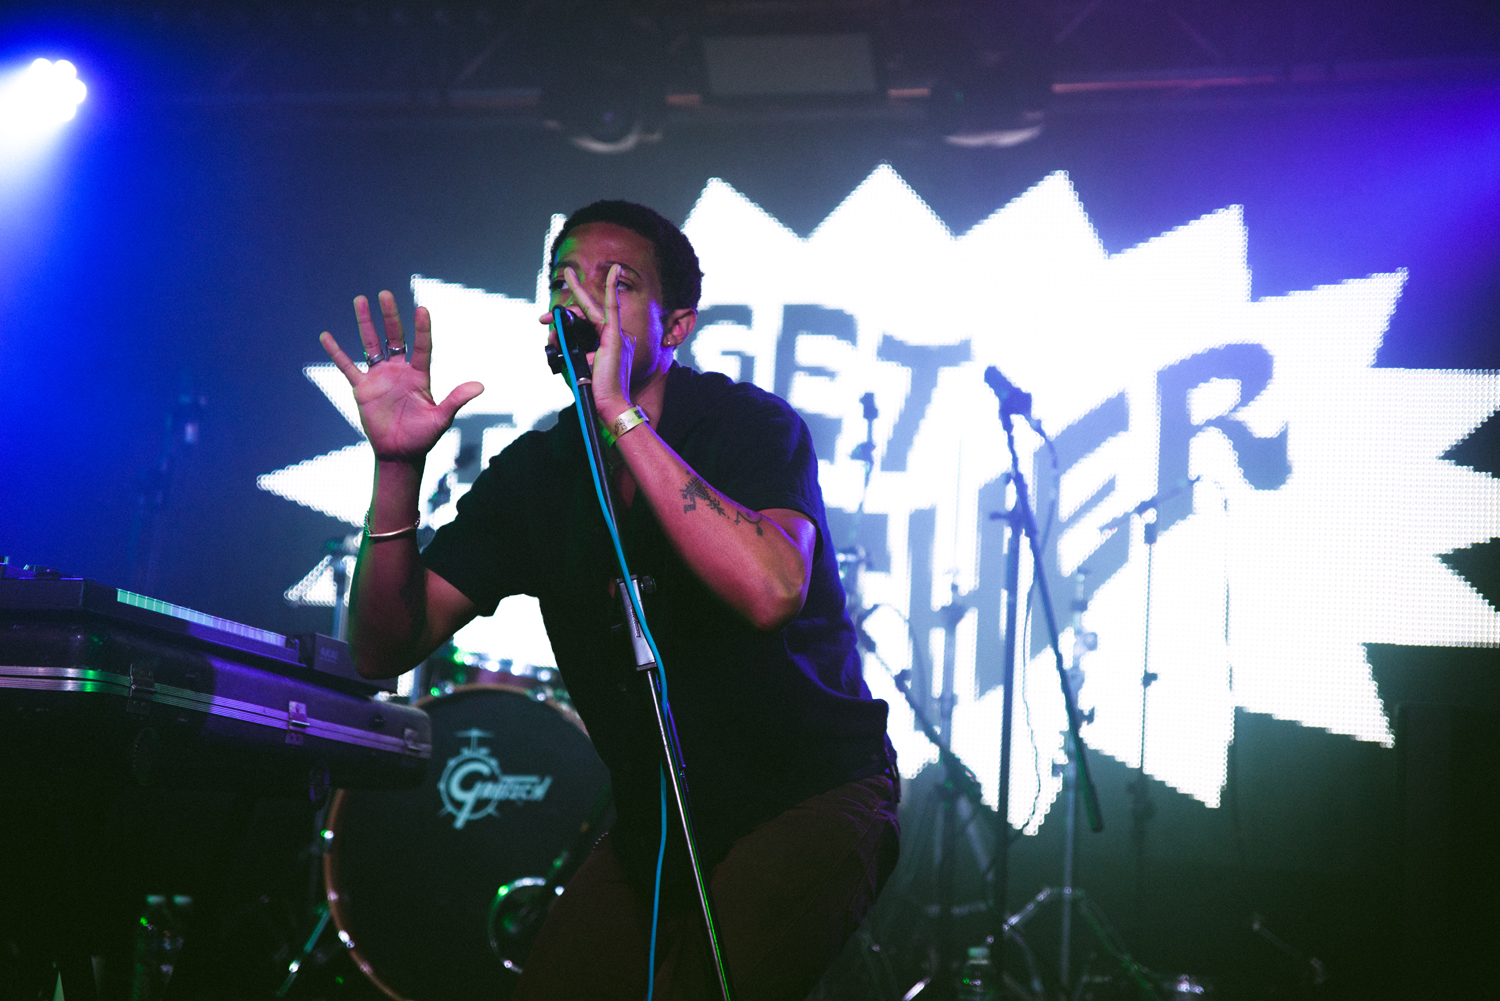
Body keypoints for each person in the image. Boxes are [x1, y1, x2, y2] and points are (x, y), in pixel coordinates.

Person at [319, 200, 898, 1000]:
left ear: (678, 326)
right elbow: (386, 645)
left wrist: (619, 411)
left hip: (809, 791)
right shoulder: (537, 473)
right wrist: (396, 468)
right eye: (563, 280)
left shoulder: (745, 425)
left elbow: (770, 590)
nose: (581, 299)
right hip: (655, 820)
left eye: (617, 283)